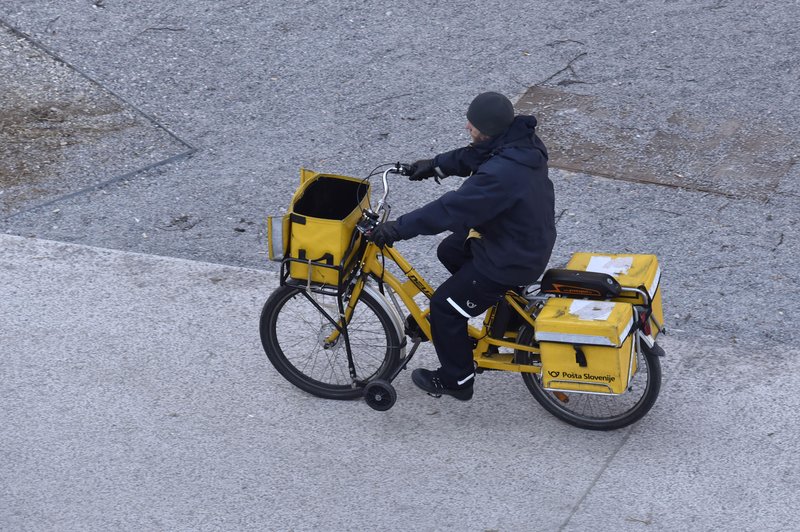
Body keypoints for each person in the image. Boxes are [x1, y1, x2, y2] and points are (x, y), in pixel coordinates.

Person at [368, 91, 556, 401]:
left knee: (444, 308)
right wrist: (434, 166)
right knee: (450, 250)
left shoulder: (501, 175)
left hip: (511, 259)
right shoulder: (520, 144)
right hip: (523, 240)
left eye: (473, 124)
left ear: (489, 129)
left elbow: (449, 210)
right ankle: (502, 312)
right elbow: (475, 155)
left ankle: (458, 379)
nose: (468, 126)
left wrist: (397, 229)